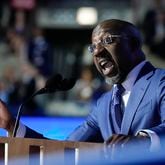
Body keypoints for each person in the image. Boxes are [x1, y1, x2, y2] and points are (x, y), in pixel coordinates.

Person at [0, 19, 165, 157]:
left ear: (134, 45)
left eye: (107, 41)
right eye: (93, 47)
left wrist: (145, 139)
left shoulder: (160, 82)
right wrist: (12, 125)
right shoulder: (104, 104)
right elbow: (64, 150)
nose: (97, 51)